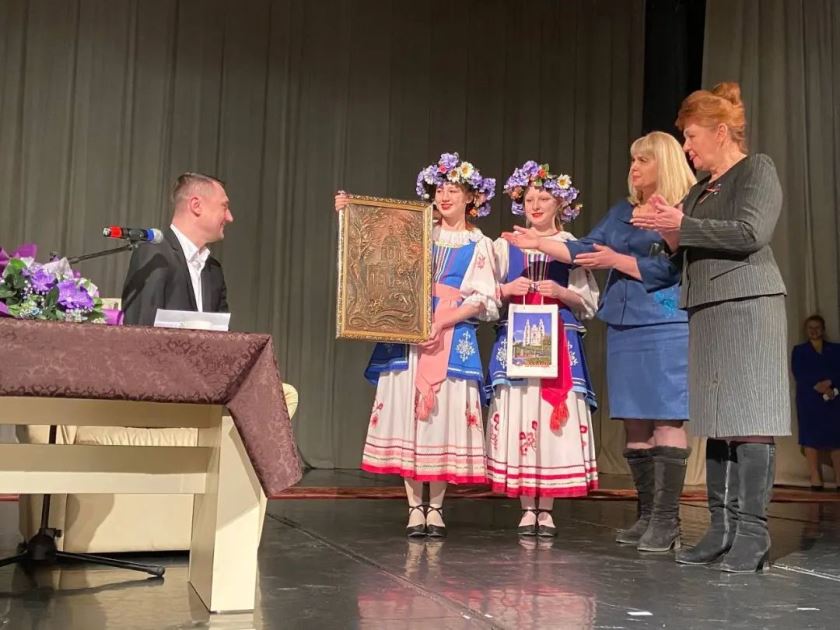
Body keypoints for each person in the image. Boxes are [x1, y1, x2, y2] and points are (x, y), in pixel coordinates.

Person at [503, 132, 696, 553]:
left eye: (643, 160)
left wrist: (616, 260)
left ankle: (667, 522)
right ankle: (647, 516)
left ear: (664, 163)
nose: (634, 167)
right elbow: (587, 247)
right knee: (634, 422)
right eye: (633, 160)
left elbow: (671, 268)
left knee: (666, 419)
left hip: (663, 321)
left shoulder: (682, 209)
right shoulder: (623, 211)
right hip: (624, 323)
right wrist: (540, 243)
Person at [633, 82, 790, 573]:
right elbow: (681, 250)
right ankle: (721, 529)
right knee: (718, 421)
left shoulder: (756, 169)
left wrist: (681, 226)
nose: (687, 147)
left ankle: (753, 534)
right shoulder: (699, 191)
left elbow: (750, 232)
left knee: (750, 417)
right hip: (705, 307)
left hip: (748, 303)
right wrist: (667, 234)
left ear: (721, 132)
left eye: (692, 136)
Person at [335, 152, 499, 538]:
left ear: (471, 198)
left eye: (453, 190)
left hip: (451, 334)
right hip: (407, 329)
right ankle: (413, 506)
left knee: (440, 418)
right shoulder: (416, 232)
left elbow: (484, 299)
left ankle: (436, 506)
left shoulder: (479, 243)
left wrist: (442, 320)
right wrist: (348, 214)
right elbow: (371, 248)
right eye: (440, 189)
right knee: (408, 417)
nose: (445, 196)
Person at [485, 161, 600, 538]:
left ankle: (546, 507)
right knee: (521, 411)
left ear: (560, 204)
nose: (535, 205)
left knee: (552, 413)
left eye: (544, 198)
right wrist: (506, 290)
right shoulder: (504, 245)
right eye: (529, 199)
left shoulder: (570, 246)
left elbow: (589, 302)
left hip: (559, 339)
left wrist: (562, 292)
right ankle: (525, 506)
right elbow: (483, 294)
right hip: (518, 336)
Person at [122, 172, 233, 326]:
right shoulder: (155, 255)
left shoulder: (214, 270)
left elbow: (223, 334)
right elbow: (140, 328)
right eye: (224, 206)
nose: (229, 217)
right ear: (196, 206)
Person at [791, 314, 840, 490]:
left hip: (832, 399)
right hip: (809, 400)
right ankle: (815, 479)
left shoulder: (836, 349)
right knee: (810, 439)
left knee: (836, 440)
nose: (814, 331)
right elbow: (799, 373)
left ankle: (839, 478)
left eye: (817, 327)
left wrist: (830, 384)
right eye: (810, 328)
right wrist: (817, 385)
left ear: (823, 329)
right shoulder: (799, 351)